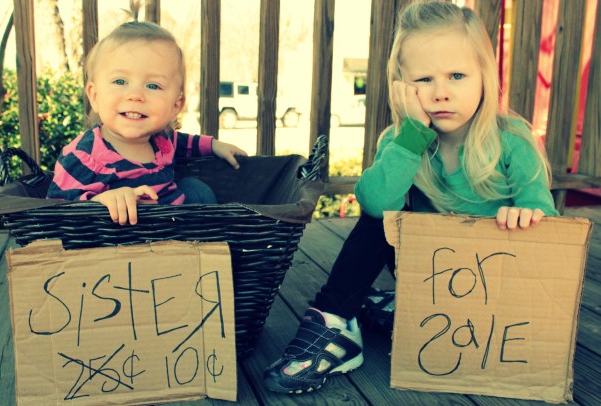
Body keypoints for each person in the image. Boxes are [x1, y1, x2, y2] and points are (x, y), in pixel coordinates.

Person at [264, 0, 559, 394]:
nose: (440, 93)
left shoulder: (511, 141)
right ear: (402, 87)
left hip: (495, 289)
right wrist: (413, 137)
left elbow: (547, 219)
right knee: (380, 217)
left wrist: (528, 213)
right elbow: (374, 203)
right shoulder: (401, 141)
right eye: (423, 79)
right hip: (431, 274)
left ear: (484, 76)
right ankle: (336, 324)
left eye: (457, 75)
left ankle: (392, 307)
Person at [47, 21, 247, 225]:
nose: (135, 95)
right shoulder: (83, 157)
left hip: (176, 226)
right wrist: (100, 202)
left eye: (153, 85)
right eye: (120, 81)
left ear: (175, 105)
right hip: (124, 237)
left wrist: (214, 145)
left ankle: (208, 236)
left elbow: (185, 142)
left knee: (195, 189)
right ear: (95, 96)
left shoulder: (161, 140)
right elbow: (56, 209)